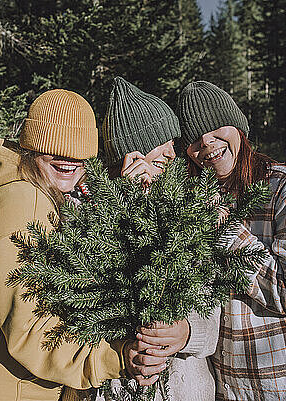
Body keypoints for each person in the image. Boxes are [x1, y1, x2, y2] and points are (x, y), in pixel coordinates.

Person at [0, 89, 165, 401]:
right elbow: (33, 331)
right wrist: (116, 357)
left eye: (78, 152)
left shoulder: (39, 196)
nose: (68, 159)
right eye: (53, 147)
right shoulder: (22, 208)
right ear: (31, 147)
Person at [140, 81, 286, 401]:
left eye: (214, 128)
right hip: (233, 390)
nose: (206, 144)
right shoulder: (195, 203)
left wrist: (225, 228)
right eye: (194, 138)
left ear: (238, 126)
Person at [99, 76, 221, 401]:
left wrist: (187, 333)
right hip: (121, 388)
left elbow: (212, 317)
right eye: (160, 151)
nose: (172, 158)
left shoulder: (191, 210)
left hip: (187, 390)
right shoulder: (98, 215)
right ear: (132, 158)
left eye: (172, 147)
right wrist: (124, 203)